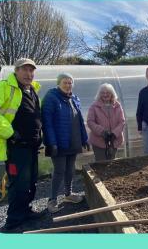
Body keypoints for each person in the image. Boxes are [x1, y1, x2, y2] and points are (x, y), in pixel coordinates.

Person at [0, 58, 44, 231]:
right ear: (16, 71)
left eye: (31, 70)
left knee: (31, 181)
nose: (28, 74)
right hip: (16, 147)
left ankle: (25, 211)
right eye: (24, 70)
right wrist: (10, 133)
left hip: (31, 147)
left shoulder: (32, 90)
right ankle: (14, 220)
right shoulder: (3, 87)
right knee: (18, 183)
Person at [41, 73, 89, 213]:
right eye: (65, 82)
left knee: (70, 169)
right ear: (58, 84)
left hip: (73, 141)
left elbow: (79, 121)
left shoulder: (74, 98)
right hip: (58, 142)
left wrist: (84, 138)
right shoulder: (51, 98)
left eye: (70, 83)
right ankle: (52, 199)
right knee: (59, 170)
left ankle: (68, 194)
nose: (68, 85)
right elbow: (47, 123)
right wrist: (52, 142)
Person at [87, 83, 125, 162]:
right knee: (101, 163)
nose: (105, 94)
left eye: (107, 92)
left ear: (112, 94)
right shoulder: (94, 106)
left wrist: (114, 133)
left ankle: (111, 175)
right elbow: (90, 121)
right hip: (99, 141)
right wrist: (102, 132)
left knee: (111, 162)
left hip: (114, 140)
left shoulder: (118, 106)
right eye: (102, 93)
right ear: (99, 94)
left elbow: (122, 121)